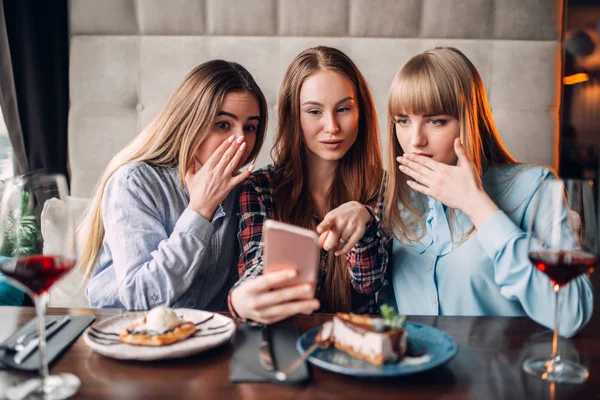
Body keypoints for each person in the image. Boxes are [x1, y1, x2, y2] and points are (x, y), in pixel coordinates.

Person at [385, 46, 593, 337]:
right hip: (418, 377)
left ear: (469, 121)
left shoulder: (534, 187)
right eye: (403, 121)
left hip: (502, 377)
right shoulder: (395, 201)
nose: (415, 140)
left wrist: (477, 205)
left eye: (436, 121)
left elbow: (571, 314)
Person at [80, 60, 268, 310]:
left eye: (250, 127)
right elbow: (141, 298)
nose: (241, 141)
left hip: (205, 336)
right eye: (223, 124)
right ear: (190, 122)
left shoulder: (246, 191)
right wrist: (200, 211)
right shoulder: (135, 183)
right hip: (125, 332)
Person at [229, 46, 388, 325]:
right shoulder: (260, 187)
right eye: (314, 111)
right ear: (294, 116)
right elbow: (257, 263)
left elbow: (369, 284)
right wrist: (243, 297)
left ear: (361, 111)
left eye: (343, 109)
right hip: (284, 342)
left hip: (360, 349)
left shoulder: (382, 185)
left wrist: (364, 219)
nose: (332, 127)